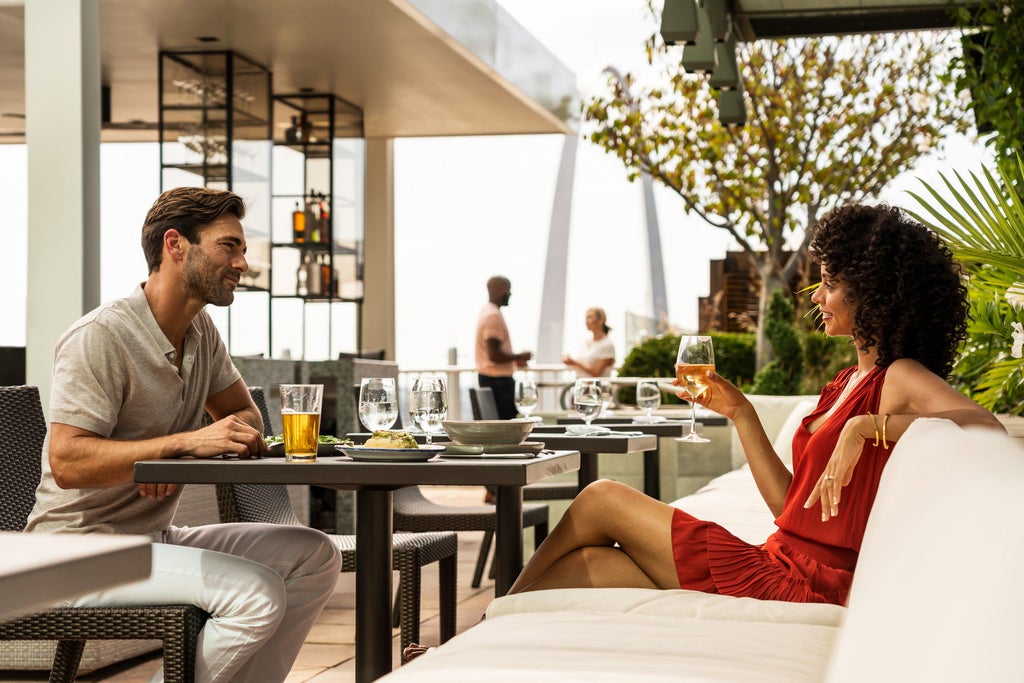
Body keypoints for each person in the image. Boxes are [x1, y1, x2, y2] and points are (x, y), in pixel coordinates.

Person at [507, 203, 1004, 602]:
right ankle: (494, 625)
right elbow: (790, 509)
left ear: (872, 294)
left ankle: (487, 619)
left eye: (830, 284)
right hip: (778, 561)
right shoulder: (844, 382)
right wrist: (741, 411)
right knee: (587, 565)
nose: (817, 297)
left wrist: (865, 428)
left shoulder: (898, 376)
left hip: (810, 584)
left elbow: (987, 430)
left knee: (601, 497)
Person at [24, 187, 342, 682]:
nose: (243, 263)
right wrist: (178, 445)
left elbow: (246, 417)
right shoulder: (102, 336)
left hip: (154, 536)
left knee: (315, 553)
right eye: (229, 246)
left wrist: (177, 454)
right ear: (176, 245)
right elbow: (67, 462)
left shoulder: (200, 333)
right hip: (75, 549)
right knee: (255, 592)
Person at [475, 275, 533, 420]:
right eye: (508, 290)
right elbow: (494, 355)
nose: (510, 294)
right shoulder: (493, 315)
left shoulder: (486, 311)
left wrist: (513, 360)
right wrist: (520, 356)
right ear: (498, 289)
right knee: (507, 426)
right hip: (498, 383)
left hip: (491, 380)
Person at [562, 307, 615, 378]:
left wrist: (574, 362)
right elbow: (583, 364)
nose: (587, 321)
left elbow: (596, 372)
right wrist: (570, 362)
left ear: (601, 320)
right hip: (581, 386)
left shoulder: (607, 344)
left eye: (590, 317)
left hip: (596, 388)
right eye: (586, 318)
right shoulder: (585, 342)